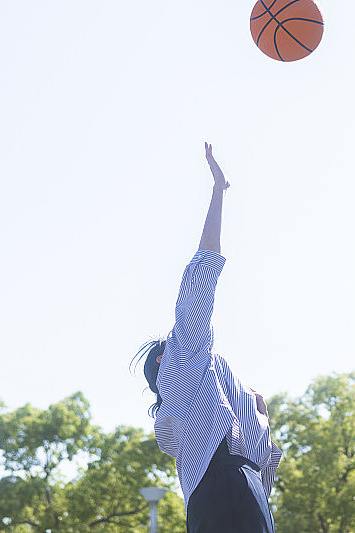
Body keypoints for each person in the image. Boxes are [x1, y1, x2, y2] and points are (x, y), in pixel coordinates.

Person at [135, 143, 281, 532]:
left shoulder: (219, 389)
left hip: (245, 492)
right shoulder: (183, 369)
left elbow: (264, 465)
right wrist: (218, 194)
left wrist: (260, 413)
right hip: (225, 492)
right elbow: (200, 283)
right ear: (165, 364)